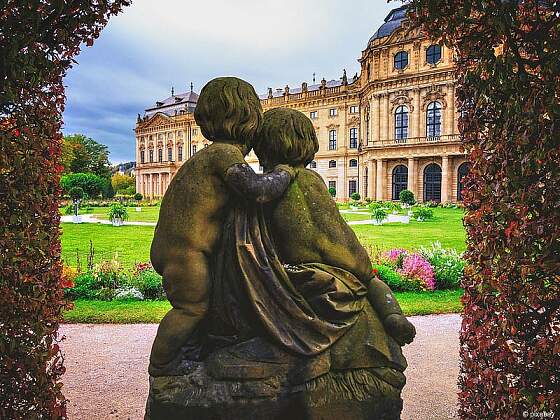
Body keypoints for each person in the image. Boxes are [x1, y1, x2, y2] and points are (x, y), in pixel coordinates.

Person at [148, 78, 294, 376]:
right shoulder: (223, 153)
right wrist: (284, 172)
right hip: (184, 253)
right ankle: (162, 363)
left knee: (202, 305)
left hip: (180, 249)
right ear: (248, 119)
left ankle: (191, 352)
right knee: (191, 307)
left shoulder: (209, 156)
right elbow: (257, 190)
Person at [251, 107, 416, 349]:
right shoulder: (310, 180)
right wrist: (361, 265)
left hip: (289, 269)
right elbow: (333, 231)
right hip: (323, 267)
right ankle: (393, 316)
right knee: (371, 280)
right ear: (307, 143)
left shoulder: (267, 184)